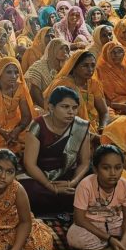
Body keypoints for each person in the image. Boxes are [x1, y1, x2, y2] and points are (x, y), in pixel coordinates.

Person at [20, 87, 91, 215]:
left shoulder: (80, 127)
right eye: (65, 107)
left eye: (74, 108)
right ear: (51, 107)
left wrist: (72, 183)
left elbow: (85, 162)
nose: (71, 112)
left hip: (68, 176)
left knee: (89, 188)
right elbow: (30, 164)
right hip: (40, 176)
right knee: (28, 192)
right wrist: (50, 187)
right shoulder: (38, 125)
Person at [44, 50, 108, 133]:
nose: (90, 69)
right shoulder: (63, 84)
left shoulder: (94, 84)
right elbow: (56, 114)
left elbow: (104, 111)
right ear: (74, 67)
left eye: (93, 65)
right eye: (85, 66)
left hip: (93, 126)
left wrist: (102, 127)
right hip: (68, 128)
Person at [25, 38, 70, 109]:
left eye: (66, 49)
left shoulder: (68, 67)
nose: (65, 51)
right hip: (41, 106)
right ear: (53, 50)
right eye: (61, 48)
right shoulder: (39, 67)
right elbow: (35, 94)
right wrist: (50, 110)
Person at [96, 41, 126, 115]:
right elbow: (98, 97)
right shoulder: (99, 70)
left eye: (120, 52)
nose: (117, 55)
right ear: (106, 54)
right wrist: (120, 106)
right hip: (109, 106)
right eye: (113, 52)